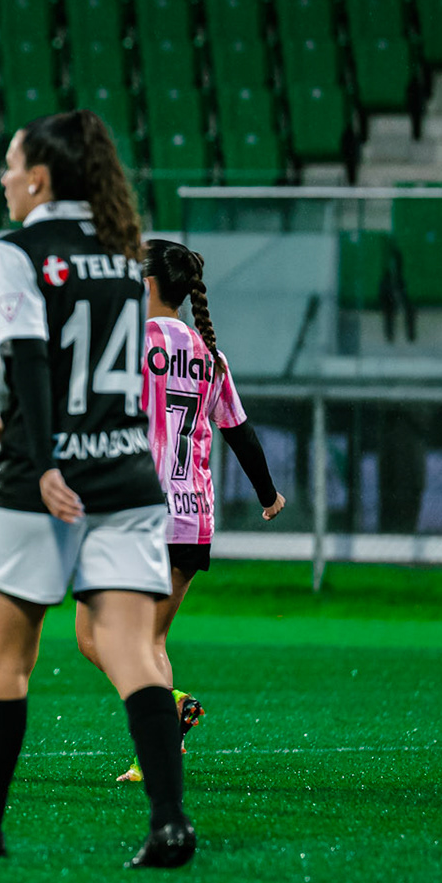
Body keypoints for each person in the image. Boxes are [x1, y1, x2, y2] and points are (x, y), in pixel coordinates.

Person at [0, 109, 196, 870]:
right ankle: (169, 823)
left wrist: (37, 456)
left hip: (43, 485)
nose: (4, 178)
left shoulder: (15, 252)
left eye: (11, 165)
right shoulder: (124, 251)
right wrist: (12, 422)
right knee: (133, 651)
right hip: (127, 471)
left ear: (39, 177)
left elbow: (36, 361)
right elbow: (91, 375)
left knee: (6, 663)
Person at [83, 240, 283, 780]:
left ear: (146, 285)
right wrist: (268, 495)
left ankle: (164, 710)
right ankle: (158, 751)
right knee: (150, 640)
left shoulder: (128, 344)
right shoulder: (207, 352)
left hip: (136, 512)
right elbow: (238, 431)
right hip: (192, 514)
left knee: (92, 635)